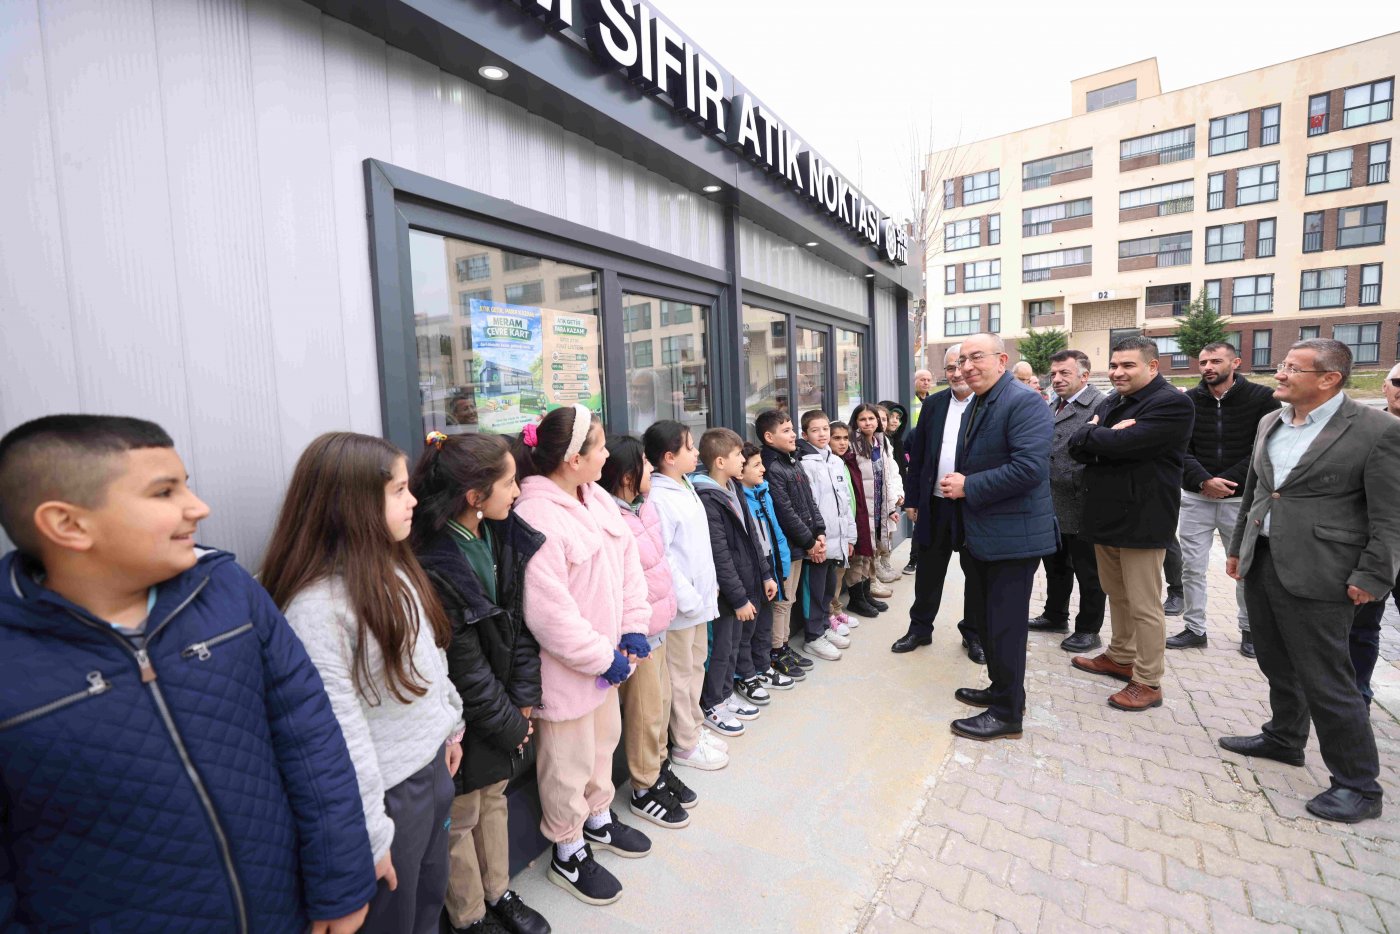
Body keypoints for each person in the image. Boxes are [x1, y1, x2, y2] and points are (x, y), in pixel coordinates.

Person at [0, 415, 376, 933]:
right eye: (164, 492)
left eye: (186, 485)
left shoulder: (228, 592)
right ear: (68, 524)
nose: (198, 508)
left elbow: (311, 741)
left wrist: (342, 883)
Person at [263, 433, 465, 934]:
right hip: (388, 797)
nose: (413, 500)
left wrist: (451, 726)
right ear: (352, 505)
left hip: (431, 768)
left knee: (428, 902)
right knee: (396, 917)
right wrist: (371, 838)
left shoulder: (393, 569)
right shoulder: (318, 610)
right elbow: (340, 738)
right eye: (399, 490)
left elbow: (431, 658)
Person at [1221, 340, 1400, 824]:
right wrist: (1238, 547)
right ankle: (1284, 738)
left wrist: (1373, 575)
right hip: (1264, 561)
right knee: (1275, 660)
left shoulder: (1379, 431)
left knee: (1328, 679)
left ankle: (1359, 786)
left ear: (1329, 378)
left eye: (1292, 369)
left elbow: (1390, 516)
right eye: (1282, 365)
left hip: (1324, 572)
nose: (1279, 374)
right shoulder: (1271, 421)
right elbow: (1258, 491)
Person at [409, 432, 552, 934]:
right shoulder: (435, 562)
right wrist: (511, 722)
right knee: (462, 816)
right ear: (474, 495)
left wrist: (524, 701)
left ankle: (498, 891)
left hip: (504, 704)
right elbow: (463, 667)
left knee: (493, 800)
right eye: (509, 482)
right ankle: (470, 916)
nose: (518, 491)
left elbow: (522, 623)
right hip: (466, 716)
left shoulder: (500, 534)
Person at [511, 405, 654, 905]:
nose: (607, 454)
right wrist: (601, 657)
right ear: (573, 459)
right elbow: (549, 614)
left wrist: (633, 628)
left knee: (601, 747)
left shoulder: (595, 497)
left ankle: (598, 819)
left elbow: (629, 566)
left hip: (609, 662)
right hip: (569, 672)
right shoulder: (536, 515)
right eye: (599, 447)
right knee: (565, 765)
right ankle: (568, 851)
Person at [939, 333, 1058, 741]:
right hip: (984, 537)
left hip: (1013, 538)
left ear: (1002, 360)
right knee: (990, 623)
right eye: (961, 361)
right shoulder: (982, 399)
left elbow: (1029, 469)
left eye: (977, 357)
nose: (967, 367)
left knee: (1006, 628)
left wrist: (968, 485)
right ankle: (1001, 690)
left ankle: (1007, 715)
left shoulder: (1023, 402)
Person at [1068, 336, 1195, 713]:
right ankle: (1121, 656)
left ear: (1152, 366)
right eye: (1114, 365)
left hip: (1143, 517)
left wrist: (1099, 436)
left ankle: (1148, 680)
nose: (1117, 372)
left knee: (1144, 603)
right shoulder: (1113, 401)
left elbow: (1125, 445)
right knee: (1115, 591)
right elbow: (1076, 445)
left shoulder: (1172, 403)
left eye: (1127, 365)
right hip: (1105, 514)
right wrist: (1102, 435)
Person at [598, 435, 694, 829]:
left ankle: (659, 767)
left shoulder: (645, 505)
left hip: (659, 625)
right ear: (626, 477)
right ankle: (644, 787)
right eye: (644, 463)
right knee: (644, 714)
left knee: (660, 706)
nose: (652, 467)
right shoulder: (610, 518)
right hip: (636, 637)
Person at [1165, 342, 1280, 657]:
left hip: (1241, 500)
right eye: (1203, 362)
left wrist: (1227, 482)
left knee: (1244, 568)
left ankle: (1250, 630)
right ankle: (1194, 629)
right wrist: (1203, 480)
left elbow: (1264, 447)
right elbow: (1179, 448)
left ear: (1236, 362)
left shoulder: (1262, 398)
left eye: (1216, 361)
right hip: (1196, 497)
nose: (1208, 367)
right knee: (1192, 567)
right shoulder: (1187, 401)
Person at [643, 420, 728, 770]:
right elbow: (664, 557)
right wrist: (690, 597)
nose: (696, 453)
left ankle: (694, 727)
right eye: (689, 447)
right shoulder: (659, 497)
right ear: (668, 456)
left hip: (700, 598)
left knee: (694, 668)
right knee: (680, 675)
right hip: (682, 605)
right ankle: (685, 744)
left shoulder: (685, 485)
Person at [895, 345, 978, 660]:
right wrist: (913, 498)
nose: (956, 373)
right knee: (928, 571)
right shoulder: (933, 404)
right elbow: (917, 457)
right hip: (934, 504)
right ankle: (919, 629)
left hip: (973, 506)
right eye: (950, 368)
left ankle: (974, 633)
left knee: (977, 573)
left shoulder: (987, 402)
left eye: (961, 366)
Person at [694, 428, 778, 731]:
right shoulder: (707, 498)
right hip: (727, 593)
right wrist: (739, 597)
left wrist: (765, 574)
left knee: (732, 646)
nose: (743, 459)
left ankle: (725, 694)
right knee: (720, 650)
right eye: (738, 455)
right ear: (720, 461)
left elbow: (752, 535)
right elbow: (720, 555)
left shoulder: (733, 486)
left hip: (746, 583)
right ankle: (712, 703)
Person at [1027, 350, 1108, 653]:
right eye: (1054, 374)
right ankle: (1055, 615)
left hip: (1083, 502)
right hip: (1052, 501)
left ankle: (1088, 629)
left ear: (1084, 376)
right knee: (1056, 565)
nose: (1057, 379)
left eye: (1065, 373)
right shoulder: (1052, 405)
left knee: (1089, 571)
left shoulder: (1101, 405)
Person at [757, 408, 826, 678]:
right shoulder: (772, 467)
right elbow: (784, 512)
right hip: (787, 546)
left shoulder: (792, 460)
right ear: (769, 437)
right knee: (783, 601)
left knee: (791, 598)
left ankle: (784, 645)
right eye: (786, 431)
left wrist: (819, 531)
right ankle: (776, 651)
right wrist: (809, 541)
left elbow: (809, 500)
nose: (793, 434)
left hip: (802, 543)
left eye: (792, 429)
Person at [1350, 361, 1400, 704]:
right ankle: (1357, 702)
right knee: (1361, 629)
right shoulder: (1366, 432)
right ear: (1384, 387)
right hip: (1373, 548)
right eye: (1398, 381)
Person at [738, 442, 797, 696]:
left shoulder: (763, 491)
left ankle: (762, 667)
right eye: (756, 465)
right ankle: (745, 675)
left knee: (764, 623)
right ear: (740, 470)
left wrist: (781, 563)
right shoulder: (739, 499)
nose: (763, 469)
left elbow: (775, 531)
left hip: (770, 566)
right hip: (753, 573)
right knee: (748, 630)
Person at [800, 410, 859, 645]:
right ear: (805, 435)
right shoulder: (805, 465)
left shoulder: (835, 461)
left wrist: (849, 537)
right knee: (814, 591)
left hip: (838, 539)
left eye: (825, 428)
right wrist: (814, 540)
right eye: (815, 430)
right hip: (820, 542)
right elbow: (808, 507)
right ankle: (814, 636)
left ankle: (825, 626)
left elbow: (845, 503)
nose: (822, 434)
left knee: (828, 588)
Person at [903, 369, 936, 574]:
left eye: (928, 380)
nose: (926, 382)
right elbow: (906, 449)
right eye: (922, 379)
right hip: (918, 468)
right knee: (920, 521)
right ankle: (914, 559)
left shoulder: (934, 401)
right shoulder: (910, 401)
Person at [871, 405, 907, 588]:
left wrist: (899, 493)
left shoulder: (888, 441)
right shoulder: (867, 443)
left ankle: (885, 563)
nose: (884, 423)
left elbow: (895, 471)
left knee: (889, 532)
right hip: (876, 501)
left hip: (891, 497)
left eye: (885, 419)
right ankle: (875, 572)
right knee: (877, 537)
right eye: (882, 418)